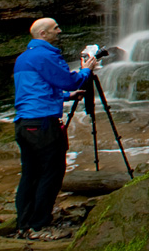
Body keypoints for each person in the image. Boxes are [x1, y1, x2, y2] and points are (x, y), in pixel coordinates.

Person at [13, 17, 97, 240]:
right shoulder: (46, 55)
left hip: (24, 124)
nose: (59, 31)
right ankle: (40, 226)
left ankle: (24, 224)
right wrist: (86, 70)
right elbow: (70, 81)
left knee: (30, 174)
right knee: (51, 173)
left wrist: (65, 97)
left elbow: (35, 90)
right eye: (55, 28)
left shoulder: (24, 58)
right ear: (43, 34)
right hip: (42, 125)